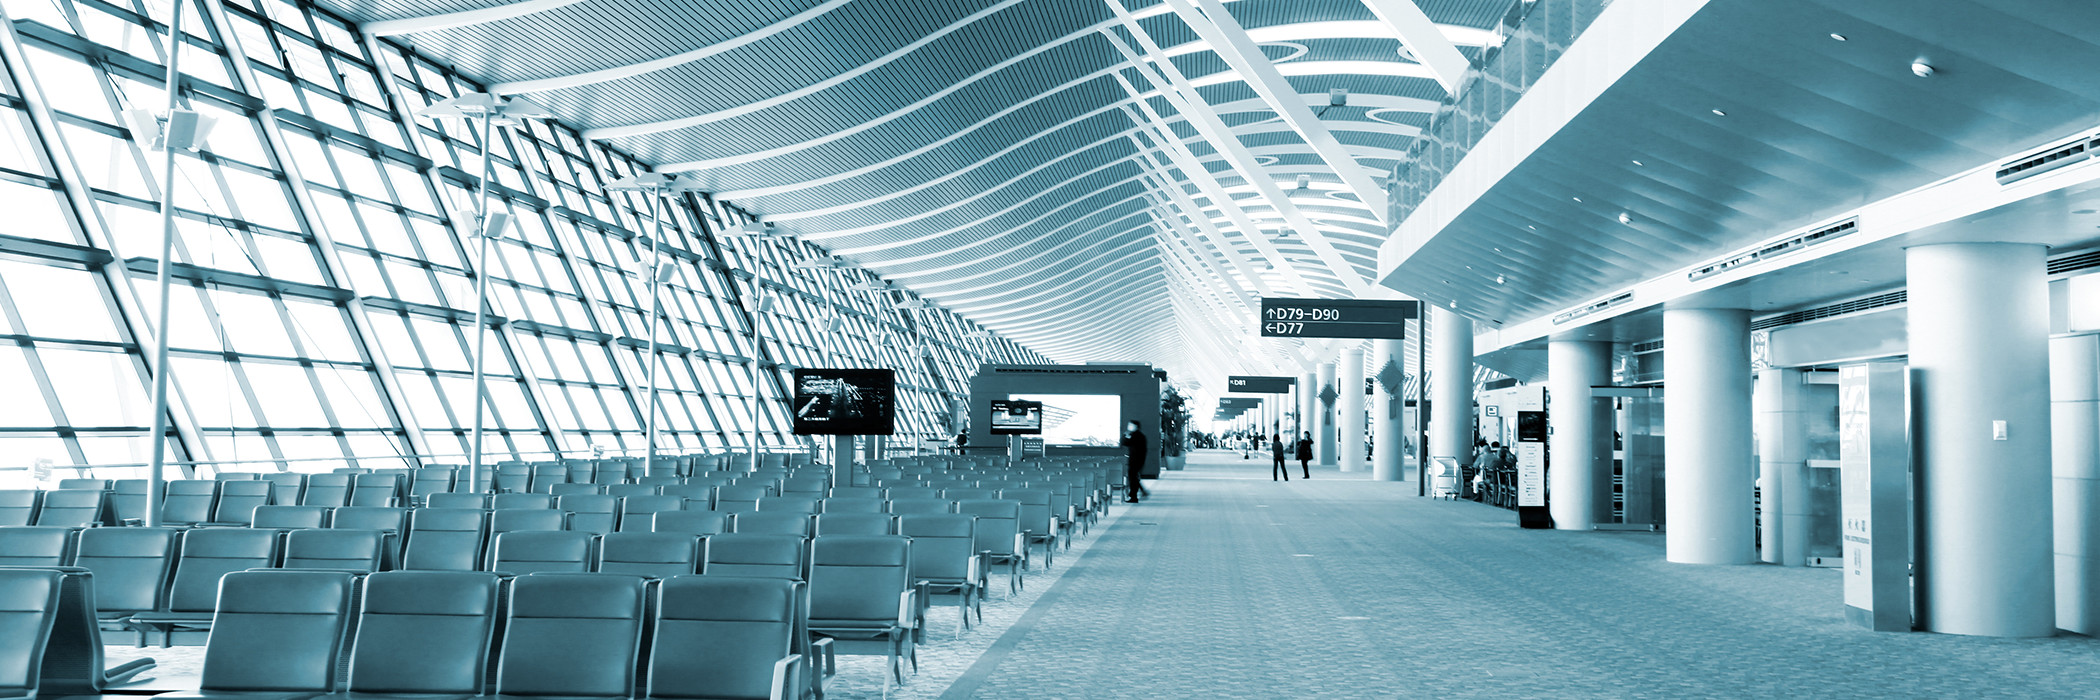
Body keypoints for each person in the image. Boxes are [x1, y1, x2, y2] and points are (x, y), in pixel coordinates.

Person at [1121, 420, 1150, 503]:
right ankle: (1140, 492)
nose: (1129, 426)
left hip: (1136, 460)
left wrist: (1126, 436)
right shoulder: (1138, 435)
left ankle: (1134, 496)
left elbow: (1125, 442)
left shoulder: (1137, 436)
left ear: (1136, 426)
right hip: (1137, 460)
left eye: (1131, 425)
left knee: (1133, 478)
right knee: (1134, 478)